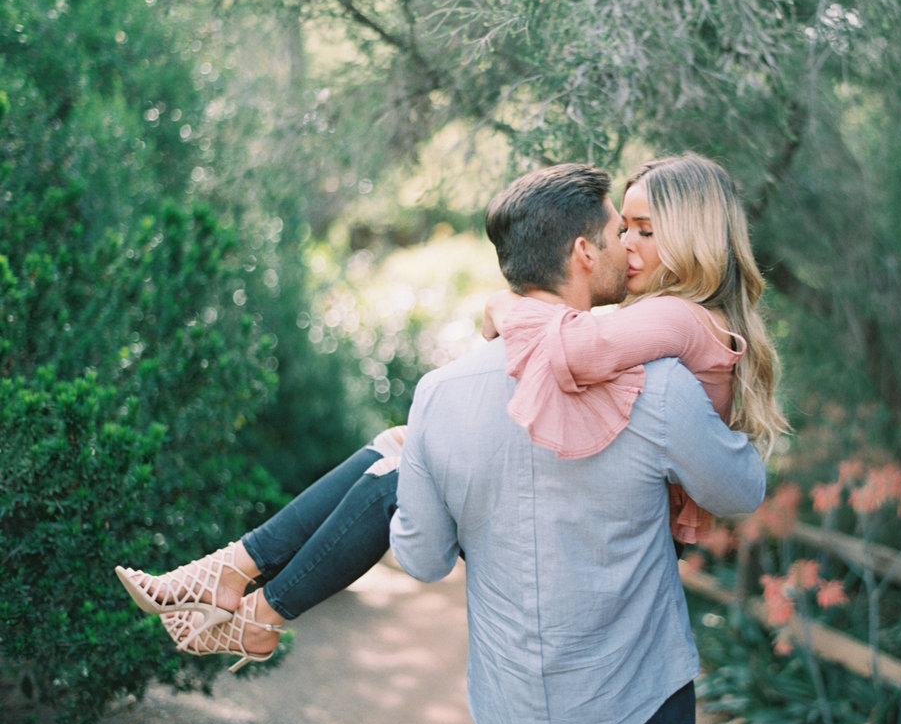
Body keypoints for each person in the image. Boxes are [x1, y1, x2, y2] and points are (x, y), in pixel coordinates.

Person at [115, 153, 784, 673]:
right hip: (620, 514)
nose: (627, 246)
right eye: (624, 229)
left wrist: (505, 307)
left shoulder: (675, 316)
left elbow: (578, 349)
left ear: (691, 236)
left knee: (402, 469)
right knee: (395, 447)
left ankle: (251, 596)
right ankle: (239, 579)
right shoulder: (682, 317)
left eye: (643, 231)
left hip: (624, 535)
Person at [388, 160, 767, 724]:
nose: (630, 245)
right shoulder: (663, 385)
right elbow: (739, 492)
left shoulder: (438, 396)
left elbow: (422, 560)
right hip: (639, 696)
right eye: (624, 230)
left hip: (517, 708)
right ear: (585, 251)